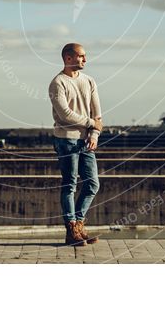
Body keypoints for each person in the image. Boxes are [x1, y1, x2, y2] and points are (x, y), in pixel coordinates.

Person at [48, 42, 103, 245]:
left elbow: (97, 114)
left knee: (92, 184)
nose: (85, 60)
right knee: (70, 184)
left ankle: (78, 224)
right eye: (81, 56)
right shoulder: (57, 83)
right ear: (68, 58)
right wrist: (91, 123)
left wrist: (94, 134)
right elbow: (65, 115)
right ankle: (71, 230)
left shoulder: (89, 81)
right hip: (66, 140)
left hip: (86, 141)